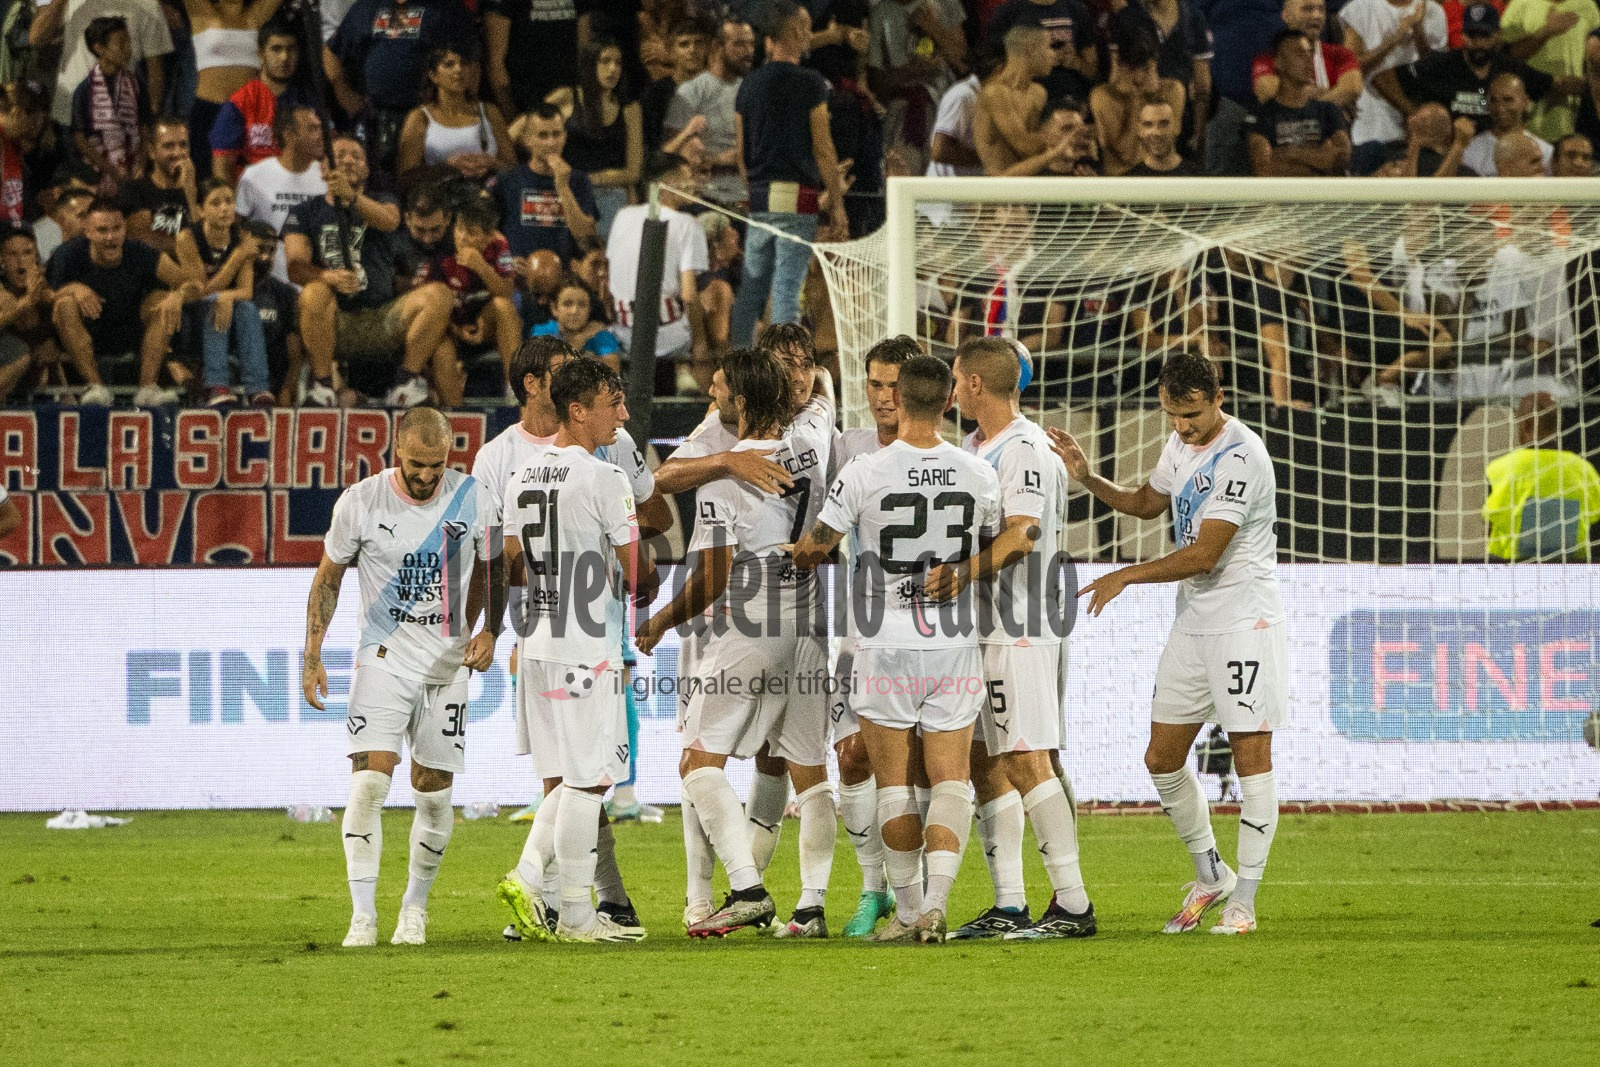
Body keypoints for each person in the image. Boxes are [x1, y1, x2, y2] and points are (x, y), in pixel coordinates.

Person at [1049, 352, 1286, 936]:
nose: (1182, 427)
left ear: (1217, 398)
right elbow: (1146, 502)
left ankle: (1245, 902)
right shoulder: (1180, 446)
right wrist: (1087, 477)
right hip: (1194, 623)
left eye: (1193, 415)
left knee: (1253, 758)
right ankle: (1212, 874)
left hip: (1244, 624)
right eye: (1173, 416)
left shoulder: (1241, 456)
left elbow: (1206, 554)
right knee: (1161, 758)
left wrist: (1126, 574)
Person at [790, 353, 1001, 944]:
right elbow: (986, 548)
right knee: (952, 779)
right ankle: (936, 904)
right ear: (949, 403)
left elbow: (821, 544)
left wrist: (796, 550)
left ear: (900, 400)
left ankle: (907, 911)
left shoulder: (863, 471)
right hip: (955, 643)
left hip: (885, 642)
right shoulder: (978, 472)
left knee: (893, 785)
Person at [477, 337, 670, 924]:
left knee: (563, 780)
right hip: (586, 645)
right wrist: (647, 585)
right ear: (580, 410)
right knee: (588, 784)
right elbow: (637, 571)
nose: (626, 414)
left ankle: (536, 888)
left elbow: (506, 559)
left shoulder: (524, 474)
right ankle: (572, 911)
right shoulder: (603, 478)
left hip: (534, 644)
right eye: (616, 402)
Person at [634, 347, 823, 938]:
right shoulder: (812, 449)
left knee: (696, 760)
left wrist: (662, 619)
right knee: (809, 770)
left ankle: (746, 889)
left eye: (718, 391)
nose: (711, 398)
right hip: (808, 622)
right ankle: (811, 906)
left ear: (741, 401)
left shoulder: (727, 474)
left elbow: (713, 577)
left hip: (749, 626)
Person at [303, 406, 499, 948]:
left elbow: (495, 568)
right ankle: (362, 915)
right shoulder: (361, 501)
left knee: (433, 794)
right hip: (382, 661)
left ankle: (414, 907)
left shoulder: (474, 498)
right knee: (369, 781)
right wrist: (312, 654)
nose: (428, 475)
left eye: (438, 465)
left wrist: (486, 631)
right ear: (398, 452)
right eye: (417, 464)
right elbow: (328, 579)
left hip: (447, 666)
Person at [939, 337, 1094, 941]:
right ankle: (1009, 903)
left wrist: (960, 573)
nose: (952, 390)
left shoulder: (1025, 448)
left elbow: (1022, 534)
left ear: (977, 383)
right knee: (989, 760)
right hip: (984, 626)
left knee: (1028, 757)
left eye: (957, 379)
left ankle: (1074, 906)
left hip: (1022, 625)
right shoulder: (977, 446)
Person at [825, 333, 914, 939]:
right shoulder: (846, 448)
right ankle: (872, 890)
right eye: (875, 385)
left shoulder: (948, 452)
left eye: (896, 385)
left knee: (924, 769)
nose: (885, 397)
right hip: (858, 631)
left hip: (929, 635)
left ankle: (922, 896)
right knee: (850, 755)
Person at [284, 135, 455, 409]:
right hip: (333, 320)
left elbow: (389, 221)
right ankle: (323, 385)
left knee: (439, 294)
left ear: (367, 169)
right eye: (340, 155)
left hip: (382, 319)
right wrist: (328, 277)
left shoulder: (384, 200)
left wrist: (351, 198)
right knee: (313, 292)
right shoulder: (305, 212)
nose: (349, 160)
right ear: (324, 167)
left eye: (357, 156)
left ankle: (405, 382)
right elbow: (295, 268)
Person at [729, 2, 849, 346]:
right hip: (798, 199)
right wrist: (836, 203)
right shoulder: (811, 84)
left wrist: (754, 192)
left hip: (761, 197)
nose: (810, 34)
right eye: (807, 27)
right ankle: (782, 367)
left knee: (751, 288)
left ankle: (739, 360)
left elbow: (741, 154)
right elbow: (823, 148)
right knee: (786, 288)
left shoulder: (747, 86)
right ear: (796, 32)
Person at [47, 196, 198, 406]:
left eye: (116, 229)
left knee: (162, 299)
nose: (110, 237)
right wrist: (74, 288)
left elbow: (194, 284)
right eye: (102, 230)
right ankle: (95, 386)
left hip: (132, 330)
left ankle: (147, 388)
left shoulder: (140, 252)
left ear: (124, 229)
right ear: (88, 232)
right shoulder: (69, 254)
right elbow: (46, 295)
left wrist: (178, 296)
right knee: (64, 304)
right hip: (89, 330)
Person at [325, 0, 480, 175]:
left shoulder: (447, 10)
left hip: (429, 120)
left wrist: (459, 107)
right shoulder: (366, 7)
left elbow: (471, 63)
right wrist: (345, 93)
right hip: (374, 119)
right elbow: (331, 54)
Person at [606, 151, 708, 393]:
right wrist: (701, 343)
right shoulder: (687, 224)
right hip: (665, 335)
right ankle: (700, 389)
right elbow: (689, 294)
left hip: (623, 329)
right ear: (666, 184)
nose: (693, 183)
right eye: (686, 177)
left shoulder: (622, 215)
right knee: (717, 305)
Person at [176, 177, 271, 406]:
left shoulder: (241, 237)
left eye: (229, 201)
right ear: (201, 209)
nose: (224, 208)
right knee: (213, 304)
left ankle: (258, 388)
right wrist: (237, 257)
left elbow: (246, 291)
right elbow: (201, 290)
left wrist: (225, 296)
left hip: (231, 309)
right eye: (216, 203)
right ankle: (216, 385)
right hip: (192, 310)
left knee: (247, 308)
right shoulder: (188, 238)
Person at [1397, 4, 1568, 128]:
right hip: (1451, 152)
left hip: (1498, 150)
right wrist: (1415, 114)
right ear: (1463, 35)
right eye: (1472, 35)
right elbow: (1384, 78)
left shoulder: (1509, 67)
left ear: (1498, 35)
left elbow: (1555, 84)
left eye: (1485, 35)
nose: (1478, 43)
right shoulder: (1442, 64)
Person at [423, 194, 521, 398]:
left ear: (489, 235)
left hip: (484, 324)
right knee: (441, 345)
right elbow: (430, 307)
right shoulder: (443, 251)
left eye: (471, 233)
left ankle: (516, 389)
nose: (462, 238)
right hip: (450, 327)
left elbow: (507, 293)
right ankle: (453, 410)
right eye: (459, 229)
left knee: (503, 306)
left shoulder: (499, 246)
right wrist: (457, 331)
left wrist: (481, 266)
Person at [1483, 391, 1600, 560]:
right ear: (1557, 425)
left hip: (1511, 573)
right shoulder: (1584, 470)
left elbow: (1491, 522)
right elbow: (1594, 517)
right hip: (1572, 573)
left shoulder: (1501, 469)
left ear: (1525, 424)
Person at [548, 38, 644, 239]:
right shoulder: (566, 97)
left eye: (618, 63)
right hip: (567, 189)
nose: (613, 69)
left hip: (608, 193)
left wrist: (591, 179)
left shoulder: (630, 109)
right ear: (590, 64)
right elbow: (526, 128)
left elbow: (634, 171)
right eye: (605, 61)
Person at [1340, 0, 1449, 174]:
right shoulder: (1360, 7)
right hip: (1372, 123)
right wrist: (1396, 37)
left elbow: (1437, 70)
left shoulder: (1434, 11)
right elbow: (1350, 68)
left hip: (1416, 120)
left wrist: (1418, 31)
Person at [34, 0, 173, 133]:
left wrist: (148, 123)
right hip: (70, 117)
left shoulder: (148, 5)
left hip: (121, 122)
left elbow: (155, 72)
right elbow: (36, 38)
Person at [664, 16, 755, 212]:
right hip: (705, 199)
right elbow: (672, 156)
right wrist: (720, 159)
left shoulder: (752, 91)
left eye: (751, 44)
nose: (748, 51)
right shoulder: (690, 92)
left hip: (748, 197)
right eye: (739, 44)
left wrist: (733, 157)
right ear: (717, 47)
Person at [491, 103, 598, 268]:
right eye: (542, 135)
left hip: (565, 277)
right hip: (519, 277)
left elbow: (586, 235)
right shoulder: (507, 181)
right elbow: (483, 234)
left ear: (565, 136)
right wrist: (505, 262)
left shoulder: (579, 181)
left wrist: (563, 187)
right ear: (527, 140)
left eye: (556, 134)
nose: (551, 142)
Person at [183, 0, 282, 178]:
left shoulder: (256, 14)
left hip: (247, 115)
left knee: (250, 176)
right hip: (208, 110)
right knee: (205, 180)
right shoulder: (201, 10)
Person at [396, 47, 515, 189]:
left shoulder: (489, 112)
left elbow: (513, 168)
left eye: (464, 64)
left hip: (487, 195)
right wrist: (449, 167)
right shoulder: (420, 117)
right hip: (442, 199)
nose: (458, 69)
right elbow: (406, 177)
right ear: (433, 75)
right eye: (449, 65)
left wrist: (491, 163)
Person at [234, 104, 327, 284]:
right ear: (289, 135)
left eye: (320, 127)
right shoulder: (254, 176)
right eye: (312, 129)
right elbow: (235, 230)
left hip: (314, 284)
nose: (321, 135)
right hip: (267, 285)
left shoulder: (327, 178)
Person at [208, 15, 304, 183]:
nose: (284, 57)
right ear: (261, 54)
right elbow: (222, 165)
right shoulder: (240, 102)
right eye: (276, 49)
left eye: (291, 49)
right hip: (255, 195)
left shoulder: (308, 100)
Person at [1247, 30, 1355, 176]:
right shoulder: (1261, 114)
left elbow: (1343, 157)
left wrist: (1291, 153)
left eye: (1310, 53)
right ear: (1279, 62)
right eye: (1299, 53)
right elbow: (1264, 169)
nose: (1308, 59)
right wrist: (1320, 158)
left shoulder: (1327, 109)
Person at [1091, 21, 1188, 176]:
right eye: (1132, 69)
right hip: (1122, 184)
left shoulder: (1173, 90)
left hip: (1164, 178)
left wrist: (1151, 94)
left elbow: (1168, 138)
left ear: (1155, 63)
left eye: (1146, 69)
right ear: (1119, 64)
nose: (1139, 78)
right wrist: (1137, 97)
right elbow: (1128, 154)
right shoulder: (1103, 97)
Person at [70, 16, 154, 190]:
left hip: (135, 167)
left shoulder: (136, 84)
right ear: (99, 48)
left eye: (129, 42)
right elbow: (80, 138)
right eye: (121, 43)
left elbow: (144, 127)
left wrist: (142, 163)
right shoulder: (84, 90)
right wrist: (110, 169)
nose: (128, 48)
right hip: (98, 172)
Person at [1500, 0, 1600, 140]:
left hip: (1572, 119)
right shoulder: (1520, 4)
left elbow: (1592, 60)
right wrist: (1546, 31)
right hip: (1527, 117)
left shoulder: (1588, 6)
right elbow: (1504, 57)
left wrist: (1586, 84)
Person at [484, 0, 589, 119]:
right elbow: (495, 62)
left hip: (569, 102)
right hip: (524, 102)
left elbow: (585, 55)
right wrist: (512, 115)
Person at [1253, 0, 1365, 111]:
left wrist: (1302, 98)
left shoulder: (1340, 54)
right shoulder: (1268, 59)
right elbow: (1268, 91)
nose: (1316, 15)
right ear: (1286, 15)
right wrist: (1332, 97)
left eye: (1321, 9)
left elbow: (1352, 88)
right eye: (1307, 9)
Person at [974, 24, 1054, 176]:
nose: (1053, 54)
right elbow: (1025, 146)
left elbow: (1036, 151)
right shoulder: (995, 93)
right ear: (1030, 49)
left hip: (1029, 193)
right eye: (1049, 47)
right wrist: (1064, 137)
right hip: (998, 194)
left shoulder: (1038, 93)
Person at [0, 228, 65, 403]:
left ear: (36, 257)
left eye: (27, 253)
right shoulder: (3, 295)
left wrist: (55, 342)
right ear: (2, 260)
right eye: (12, 254)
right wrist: (26, 302)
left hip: (42, 389)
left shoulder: (47, 292)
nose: (21, 261)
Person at [121, 118, 198, 255]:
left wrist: (189, 191)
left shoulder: (198, 189)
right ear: (152, 151)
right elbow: (145, 240)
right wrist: (190, 246)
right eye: (169, 146)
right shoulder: (134, 190)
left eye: (183, 145)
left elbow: (206, 240)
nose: (178, 153)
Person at [1462, 71, 1557, 169]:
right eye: (1493, 100)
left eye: (1508, 100)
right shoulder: (1470, 150)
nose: (1500, 108)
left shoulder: (1545, 152)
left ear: (1525, 101)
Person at [641, 17, 710, 152]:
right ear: (671, 51)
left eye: (698, 43)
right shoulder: (655, 95)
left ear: (706, 49)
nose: (692, 50)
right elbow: (651, 151)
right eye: (684, 44)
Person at [530, 274, 621, 369]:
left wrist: (571, 360)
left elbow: (614, 369)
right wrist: (581, 338)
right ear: (554, 309)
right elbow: (548, 367)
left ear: (589, 310)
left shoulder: (599, 333)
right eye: (567, 304)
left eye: (582, 305)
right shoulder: (541, 332)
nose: (575, 311)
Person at [1128, 99, 1204, 174]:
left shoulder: (1199, 179)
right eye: (1148, 124)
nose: (1156, 132)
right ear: (1139, 130)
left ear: (1177, 127)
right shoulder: (1128, 182)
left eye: (1164, 124)